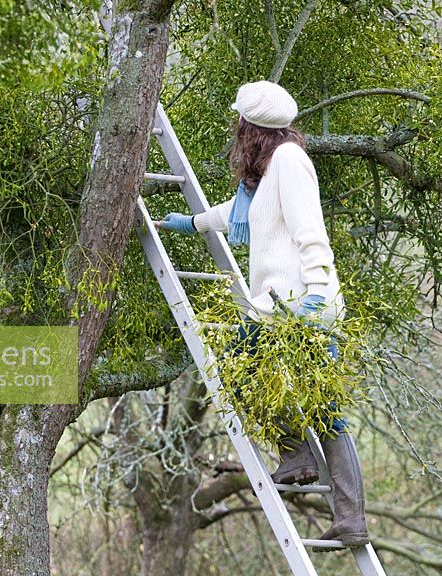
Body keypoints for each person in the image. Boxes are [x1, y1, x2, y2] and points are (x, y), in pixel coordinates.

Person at [155, 80, 369, 548]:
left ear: (252, 127)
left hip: (298, 304)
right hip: (283, 305)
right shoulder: (270, 171)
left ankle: (304, 465)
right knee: (318, 405)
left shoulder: (290, 163)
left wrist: (316, 292)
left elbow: (310, 230)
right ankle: (339, 504)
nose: (237, 128)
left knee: (240, 371)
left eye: (241, 122)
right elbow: (241, 211)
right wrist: (191, 223)